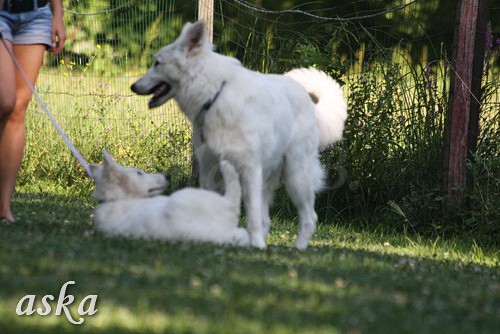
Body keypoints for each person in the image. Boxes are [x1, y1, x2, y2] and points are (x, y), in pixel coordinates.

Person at [0, 0, 66, 223]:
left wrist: (58, 14)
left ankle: (4, 207)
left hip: (36, 14)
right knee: (5, 101)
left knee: (18, 108)